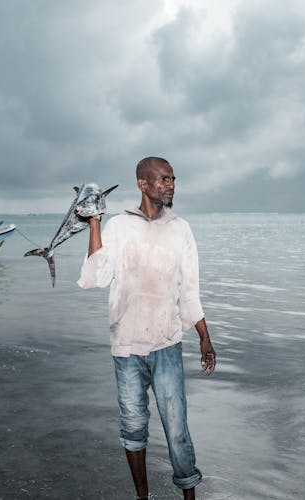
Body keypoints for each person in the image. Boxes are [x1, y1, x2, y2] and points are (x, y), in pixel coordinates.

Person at [77, 156, 217, 500]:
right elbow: (96, 277)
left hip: (167, 343)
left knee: (177, 429)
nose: (170, 185)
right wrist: (95, 224)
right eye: (163, 180)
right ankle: (143, 497)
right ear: (143, 184)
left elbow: (189, 291)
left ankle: (189, 498)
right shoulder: (119, 226)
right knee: (133, 427)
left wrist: (204, 339)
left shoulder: (181, 228)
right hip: (126, 346)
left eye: (172, 180)